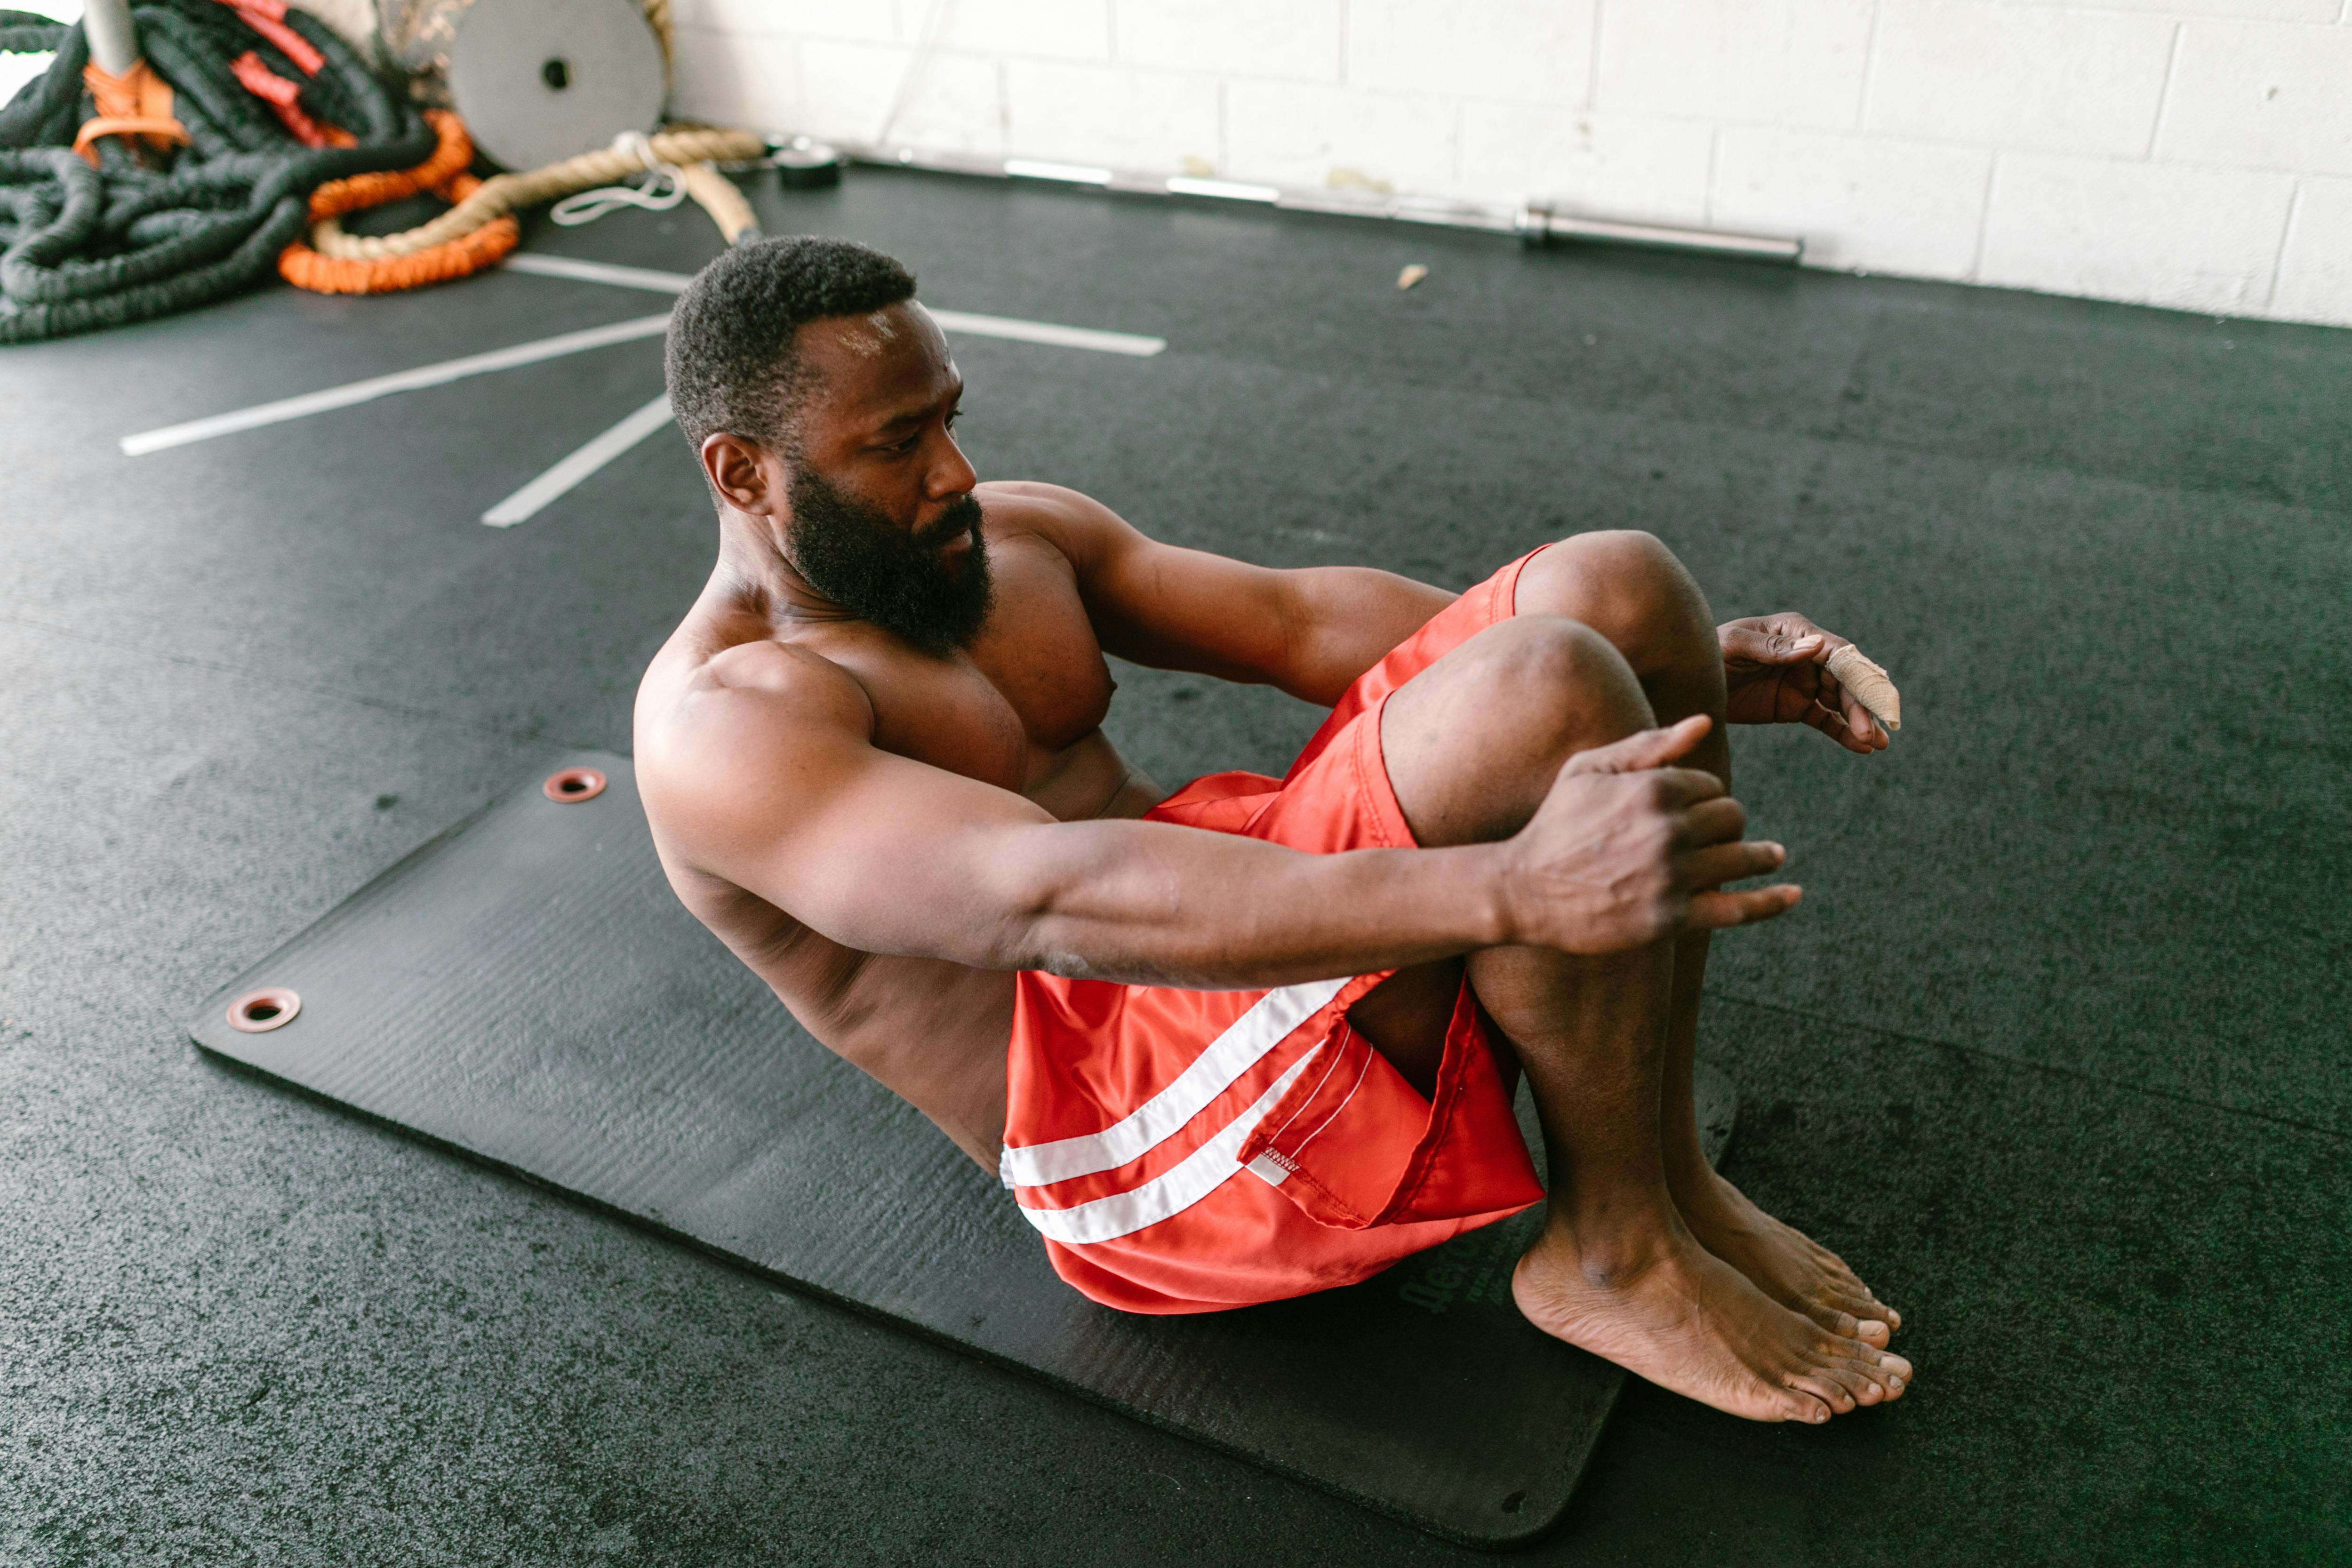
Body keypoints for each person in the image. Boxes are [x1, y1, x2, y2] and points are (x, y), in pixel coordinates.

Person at [635, 236, 1911, 1425]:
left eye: (952, 417)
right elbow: (1049, 897)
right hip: (1124, 1129)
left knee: (1618, 587)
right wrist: (1509, 885)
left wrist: (1684, 656)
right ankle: (1612, 1252)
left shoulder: (1000, 535)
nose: (955, 472)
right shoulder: (728, 728)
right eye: (899, 442)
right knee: (1545, 703)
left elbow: (1298, 621)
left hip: (1227, 935)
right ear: (742, 470)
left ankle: (1664, 1180)